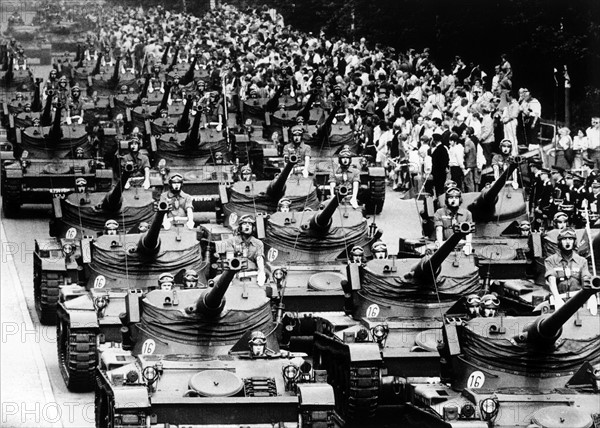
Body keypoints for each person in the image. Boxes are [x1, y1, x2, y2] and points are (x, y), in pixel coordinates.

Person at [545, 227, 591, 309]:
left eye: (570, 239)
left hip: (578, 300)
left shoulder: (582, 261)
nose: (567, 242)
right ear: (560, 242)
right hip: (558, 300)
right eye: (564, 239)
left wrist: (590, 295)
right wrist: (557, 298)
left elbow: (586, 279)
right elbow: (551, 279)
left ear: (574, 241)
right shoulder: (550, 260)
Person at [225, 214, 266, 286]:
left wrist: (261, 274)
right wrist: (228, 278)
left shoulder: (258, 243)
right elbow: (229, 261)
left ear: (253, 228)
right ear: (240, 227)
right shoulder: (231, 242)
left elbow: (260, 260)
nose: (247, 226)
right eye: (244, 223)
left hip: (252, 275)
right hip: (235, 275)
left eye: (250, 224)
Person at [433, 187, 473, 254]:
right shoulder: (440, 212)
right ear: (447, 199)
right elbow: (439, 229)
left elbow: (469, 232)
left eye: (456, 198)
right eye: (451, 198)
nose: (454, 200)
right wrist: (440, 243)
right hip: (445, 244)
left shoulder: (467, 214)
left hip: (461, 245)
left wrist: (468, 244)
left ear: (460, 199)